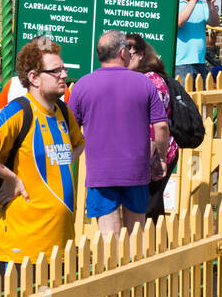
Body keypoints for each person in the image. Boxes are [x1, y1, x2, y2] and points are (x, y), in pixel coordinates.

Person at [0, 37, 83, 273]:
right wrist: (10, 178)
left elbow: (78, 145)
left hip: (61, 247)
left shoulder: (64, 112)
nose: (64, 75)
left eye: (64, 68)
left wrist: (57, 164)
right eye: (55, 70)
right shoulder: (19, 111)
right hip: (22, 251)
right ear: (34, 77)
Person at [68, 30, 169, 236]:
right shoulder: (144, 84)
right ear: (123, 53)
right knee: (136, 236)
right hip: (136, 171)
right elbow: (161, 127)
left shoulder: (81, 86)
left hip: (100, 172)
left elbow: (68, 130)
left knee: (109, 238)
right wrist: (160, 158)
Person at [123, 33, 180, 223]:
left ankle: (151, 250)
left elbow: (155, 127)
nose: (123, 58)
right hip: (154, 151)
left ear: (140, 54)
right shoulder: (147, 78)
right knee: (152, 208)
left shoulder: (148, 81)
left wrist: (154, 159)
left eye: (128, 53)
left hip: (155, 152)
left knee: (147, 210)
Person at [175, 0, 220, 82]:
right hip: (181, 63)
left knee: (200, 99)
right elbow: (178, 22)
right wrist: (194, 0)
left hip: (200, 61)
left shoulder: (201, 3)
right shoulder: (174, 2)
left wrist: (211, 5)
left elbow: (214, 23)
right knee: (185, 98)